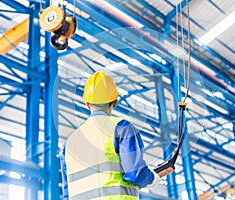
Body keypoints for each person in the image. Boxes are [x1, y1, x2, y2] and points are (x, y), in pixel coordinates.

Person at [60, 71, 161, 200]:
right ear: (114, 102)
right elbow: (136, 174)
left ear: (87, 103)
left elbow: (67, 193)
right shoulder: (121, 128)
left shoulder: (69, 143)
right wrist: (153, 179)